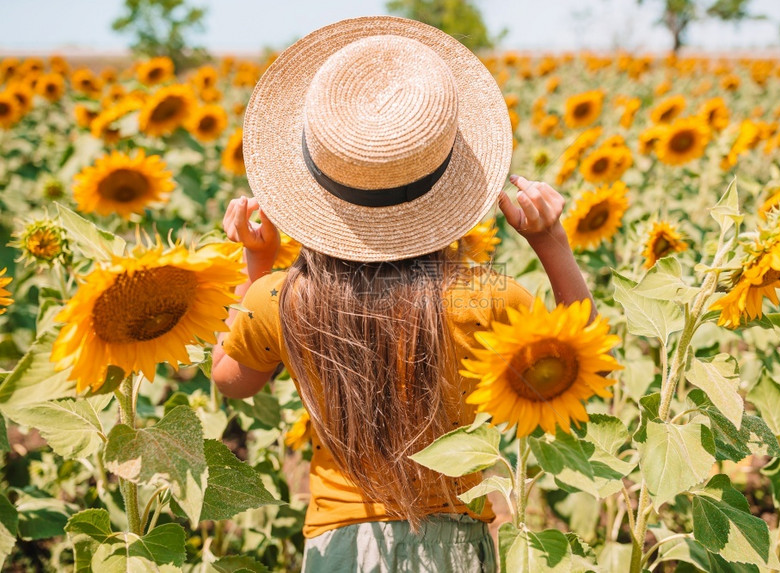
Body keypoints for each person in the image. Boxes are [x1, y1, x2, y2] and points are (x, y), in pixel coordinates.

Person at [211, 15, 596, 573]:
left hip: (339, 547)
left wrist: (258, 261)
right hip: (457, 544)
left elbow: (230, 381)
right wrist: (550, 242)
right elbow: (579, 358)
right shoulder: (486, 297)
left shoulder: (281, 298)